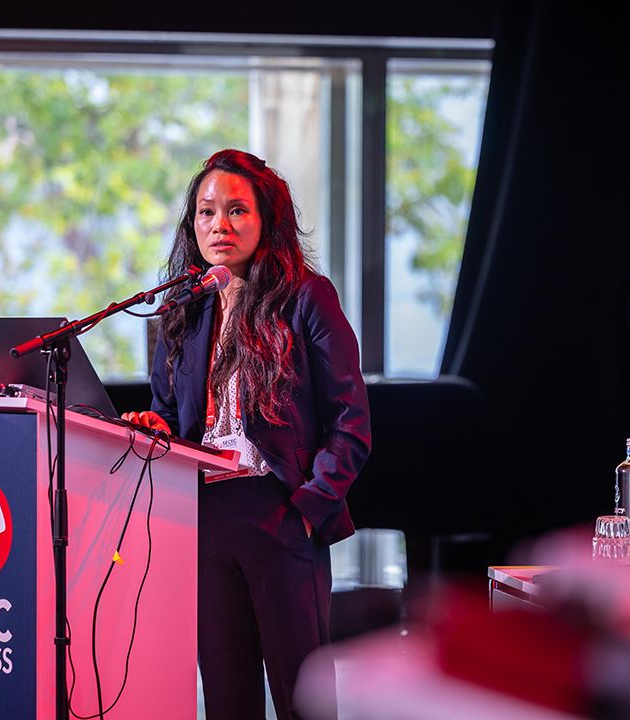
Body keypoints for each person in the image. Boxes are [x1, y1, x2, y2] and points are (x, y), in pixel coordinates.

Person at [122, 148, 371, 719]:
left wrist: (309, 506)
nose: (220, 225)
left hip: (280, 512)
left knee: (302, 697)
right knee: (226, 696)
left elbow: (351, 421)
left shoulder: (307, 297)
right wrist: (155, 428)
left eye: (237, 210)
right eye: (207, 212)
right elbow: (169, 412)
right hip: (205, 516)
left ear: (266, 220)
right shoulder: (183, 308)